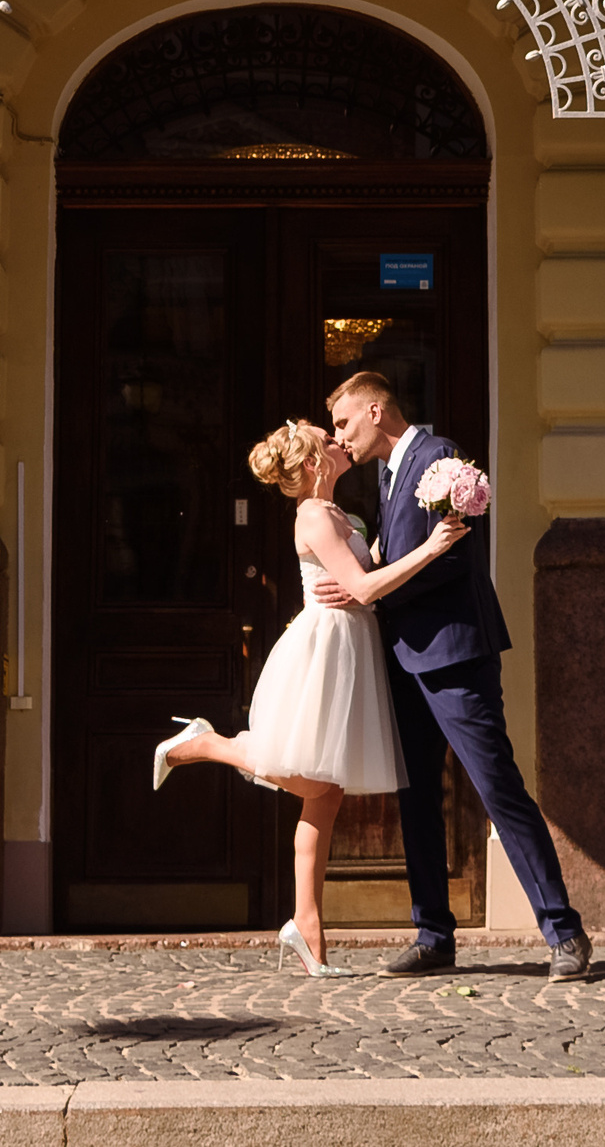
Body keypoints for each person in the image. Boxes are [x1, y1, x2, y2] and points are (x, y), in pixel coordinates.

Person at [152, 419, 470, 978]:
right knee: (307, 775)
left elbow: (360, 575)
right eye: (330, 438)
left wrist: (370, 558)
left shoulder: (336, 513)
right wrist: (433, 545)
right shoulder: (313, 514)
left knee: (323, 794)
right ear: (315, 463)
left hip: (348, 646)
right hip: (324, 650)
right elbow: (367, 588)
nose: (340, 441)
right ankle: (207, 743)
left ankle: (307, 926)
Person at [317, 370, 595, 982]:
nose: (341, 437)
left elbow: (453, 557)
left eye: (343, 423)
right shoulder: (389, 476)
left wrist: (373, 586)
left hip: (453, 654)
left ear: (375, 410)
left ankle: (564, 931)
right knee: (415, 796)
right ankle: (433, 935)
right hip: (405, 656)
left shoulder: (438, 459)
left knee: (497, 787)